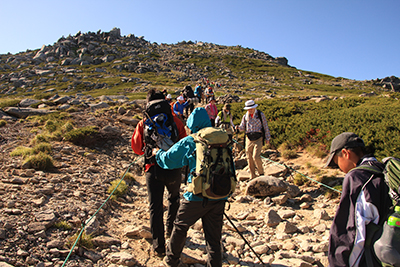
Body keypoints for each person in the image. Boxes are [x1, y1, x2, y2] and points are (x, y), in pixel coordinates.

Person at [153, 107, 228, 267]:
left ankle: (171, 260)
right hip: (219, 193)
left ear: (192, 123)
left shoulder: (192, 140)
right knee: (213, 237)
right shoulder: (221, 138)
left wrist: (157, 153)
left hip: (197, 195)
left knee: (180, 226)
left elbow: (169, 160)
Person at [131, 90, 187, 258]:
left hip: (152, 168)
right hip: (173, 168)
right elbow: (183, 144)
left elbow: (136, 148)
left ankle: (159, 247)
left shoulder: (143, 123)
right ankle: (171, 230)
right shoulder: (175, 120)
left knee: (155, 206)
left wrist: (150, 151)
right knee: (174, 198)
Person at [325, 132, 391, 267]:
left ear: (345, 153)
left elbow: (355, 232)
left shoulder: (356, 178)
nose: (339, 168)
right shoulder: (384, 170)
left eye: (337, 162)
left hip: (370, 259)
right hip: (389, 254)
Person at [237, 100, 271, 180]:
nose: (250, 110)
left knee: (256, 156)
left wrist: (267, 138)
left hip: (258, 137)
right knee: (249, 157)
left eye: (251, 108)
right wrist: (237, 128)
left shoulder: (260, 114)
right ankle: (252, 175)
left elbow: (265, 126)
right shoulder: (245, 116)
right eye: (248, 109)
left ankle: (261, 173)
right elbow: (242, 127)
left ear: (254, 107)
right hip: (249, 138)